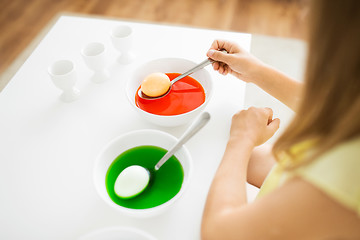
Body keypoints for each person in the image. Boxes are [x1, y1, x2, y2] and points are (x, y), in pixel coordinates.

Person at [201, 0, 360, 239]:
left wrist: (242, 139)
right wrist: (257, 71)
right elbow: (341, 109)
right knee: (212, 149)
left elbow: (219, 233)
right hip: (292, 177)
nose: (303, 17)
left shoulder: (342, 188)